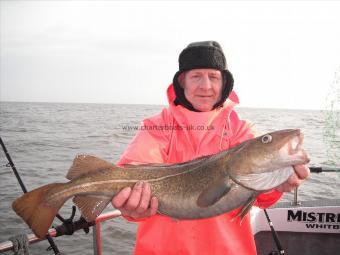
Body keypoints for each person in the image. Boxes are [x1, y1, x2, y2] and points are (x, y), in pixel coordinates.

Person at [111, 41, 310, 255]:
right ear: (182, 81)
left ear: (224, 83)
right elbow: (128, 177)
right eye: (196, 76)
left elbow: (260, 196)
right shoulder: (156, 127)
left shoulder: (241, 130)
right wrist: (131, 208)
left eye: (213, 77)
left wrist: (278, 183)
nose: (205, 86)